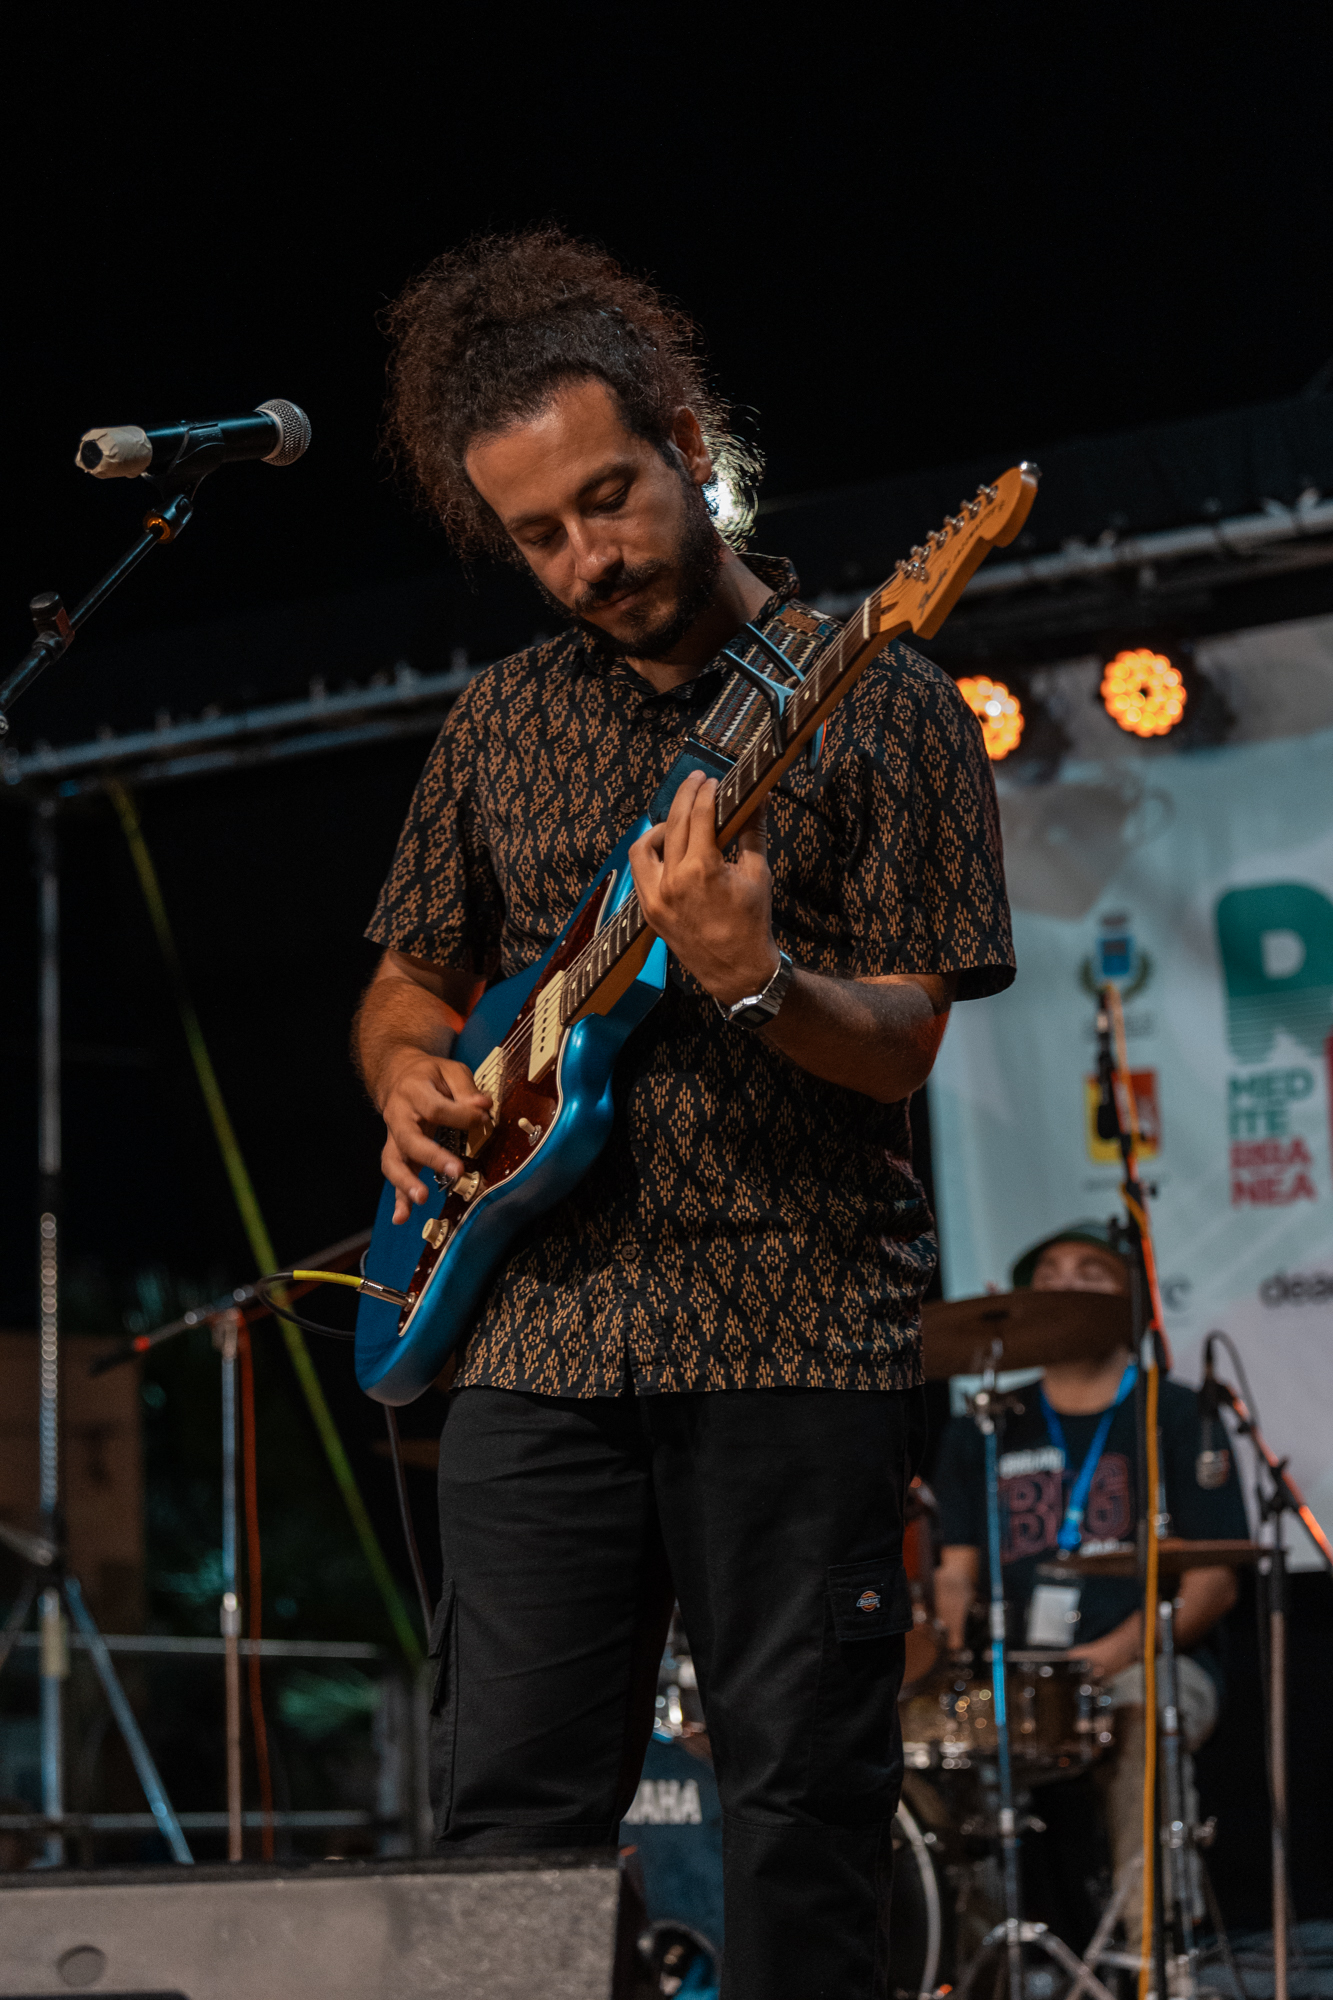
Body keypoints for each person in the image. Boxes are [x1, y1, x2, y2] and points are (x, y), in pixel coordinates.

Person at [353, 228, 1015, 1999]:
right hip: (531, 1341)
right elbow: (406, 982)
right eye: (538, 536)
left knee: (801, 1815)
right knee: (508, 1829)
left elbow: (903, 1041)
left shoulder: (888, 704)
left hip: (793, 1327)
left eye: (610, 498)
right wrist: (406, 1074)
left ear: (686, 443)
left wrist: (755, 980)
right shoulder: (496, 724)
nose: (588, 557)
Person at [932, 1225, 1249, 1942]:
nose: (1065, 1282)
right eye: (1048, 1270)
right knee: (927, 1745)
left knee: (1142, 1716)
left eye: (1090, 1270)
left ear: (1130, 1300)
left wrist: (1101, 1660)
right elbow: (955, 1574)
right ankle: (980, 1961)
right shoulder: (984, 1428)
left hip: (1147, 1661)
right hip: (1015, 1672)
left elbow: (1212, 1586)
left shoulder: (1175, 1413)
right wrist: (949, 1667)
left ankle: (1152, 1951)